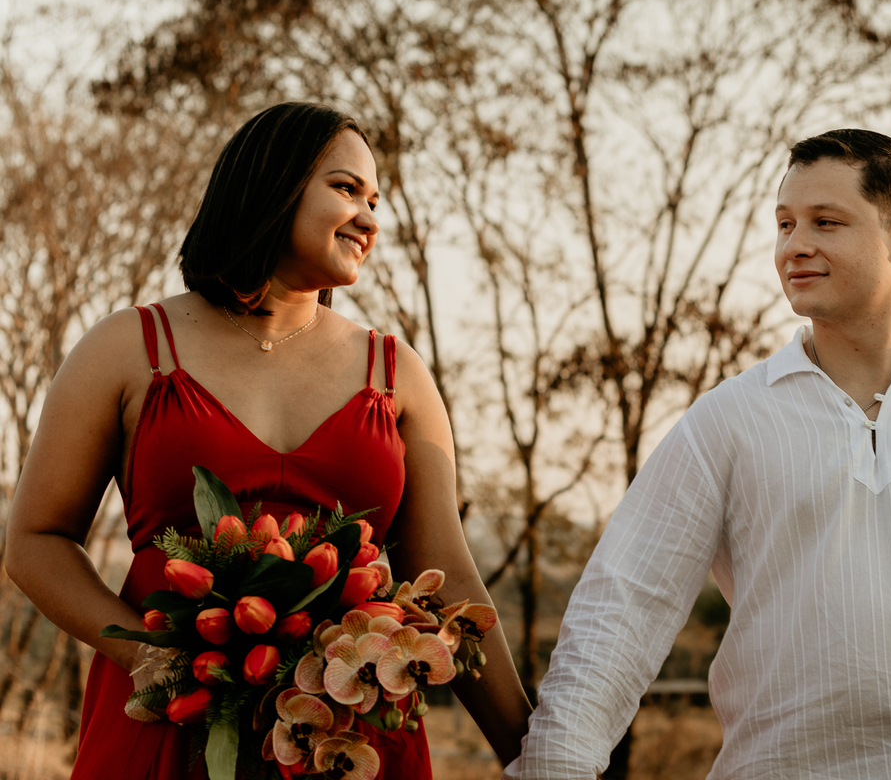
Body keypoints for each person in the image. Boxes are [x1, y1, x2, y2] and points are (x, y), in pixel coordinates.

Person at [505, 130, 891, 780]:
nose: (794, 245)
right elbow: (622, 610)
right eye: (785, 224)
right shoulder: (726, 421)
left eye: (826, 222)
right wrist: (554, 769)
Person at [7, 101, 533, 779]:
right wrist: (144, 654)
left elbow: (449, 577)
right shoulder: (127, 349)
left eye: (375, 201)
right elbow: (36, 540)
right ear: (274, 183)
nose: (370, 220)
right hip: (174, 725)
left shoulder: (396, 373)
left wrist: (538, 755)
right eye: (347, 189)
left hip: (350, 740)